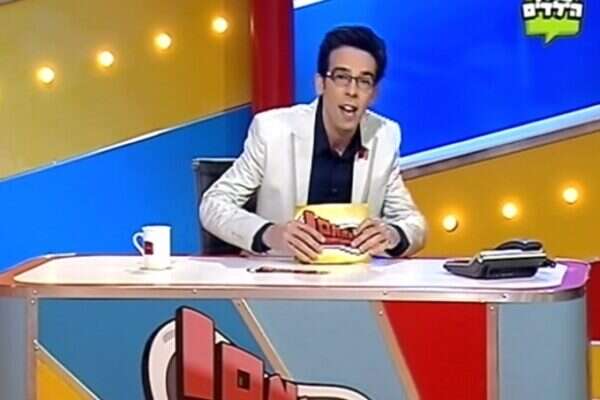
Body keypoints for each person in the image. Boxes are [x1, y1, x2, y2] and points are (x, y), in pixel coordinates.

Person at [200, 25, 426, 262]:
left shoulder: (384, 136)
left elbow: (414, 223)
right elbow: (214, 203)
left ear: (374, 93)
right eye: (341, 77)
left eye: (364, 81)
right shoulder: (272, 131)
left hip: (354, 278)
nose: (352, 91)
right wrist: (270, 234)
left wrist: (393, 235)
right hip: (281, 275)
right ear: (320, 83)